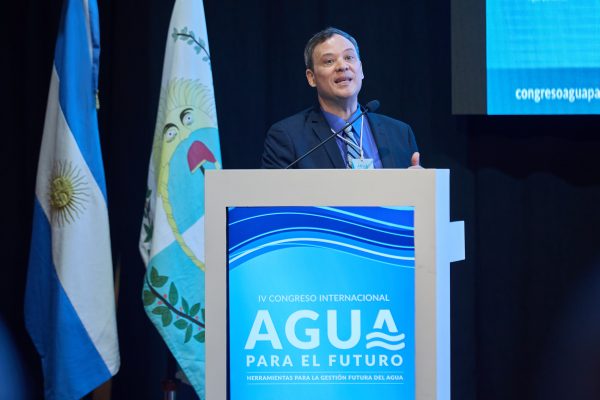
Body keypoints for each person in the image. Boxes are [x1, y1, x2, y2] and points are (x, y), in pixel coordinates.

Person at [261, 27, 420, 169]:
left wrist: (418, 184)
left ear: (361, 70)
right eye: (329, 61)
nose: (342, 66)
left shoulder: (400, 134)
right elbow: (275, 192)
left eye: (349, 57)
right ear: (311, 77)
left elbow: (412, 191)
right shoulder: (288, 137)